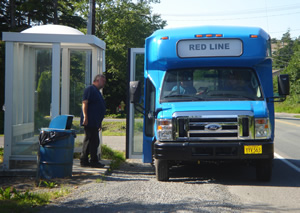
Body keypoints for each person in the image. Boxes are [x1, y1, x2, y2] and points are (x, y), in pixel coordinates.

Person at [80, 74, 106, 168]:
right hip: (90, 120)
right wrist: (85, 116)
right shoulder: (90, 89)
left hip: (95, 121)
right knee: (92, 140)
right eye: (103, 81)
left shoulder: (97, 92)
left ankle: (85, 160)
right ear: (97, 80)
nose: (104, 83)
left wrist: (99, 122)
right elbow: (84, 103)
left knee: (92, 140)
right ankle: (92, 161)